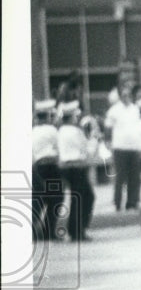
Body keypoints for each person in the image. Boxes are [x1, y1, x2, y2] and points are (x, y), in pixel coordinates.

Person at [56, 101, 96, 242]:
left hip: (66, 167)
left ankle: (75, 230)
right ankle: (79, 230)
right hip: (77, 166)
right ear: (72, 117)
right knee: (87, 198)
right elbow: (86, 149)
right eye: (75, 116)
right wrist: (92, 139)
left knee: (76, 198)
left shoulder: (60, 131)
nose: (77, 119)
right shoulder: (76, 131)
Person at [105, 84, 141, 211]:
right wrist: (108, 141)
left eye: (128, 95)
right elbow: (108, 128)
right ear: (120, 96)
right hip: (120, 147)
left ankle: (132, 202)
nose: (126, 97)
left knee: (135, 177)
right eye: (124, 95)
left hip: (134, 147)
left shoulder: (135, 109)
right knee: (120, 177)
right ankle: (117, 203)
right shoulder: (114, 110)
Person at [32, 100, 62, 241]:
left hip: (38, 166)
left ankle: (31, 230)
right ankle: (49, 231)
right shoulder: (52, 131)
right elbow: (58, 147)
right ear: (48, 116)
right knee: (56, 199)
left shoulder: (33, 131)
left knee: (38, 199)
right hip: (51, 166)